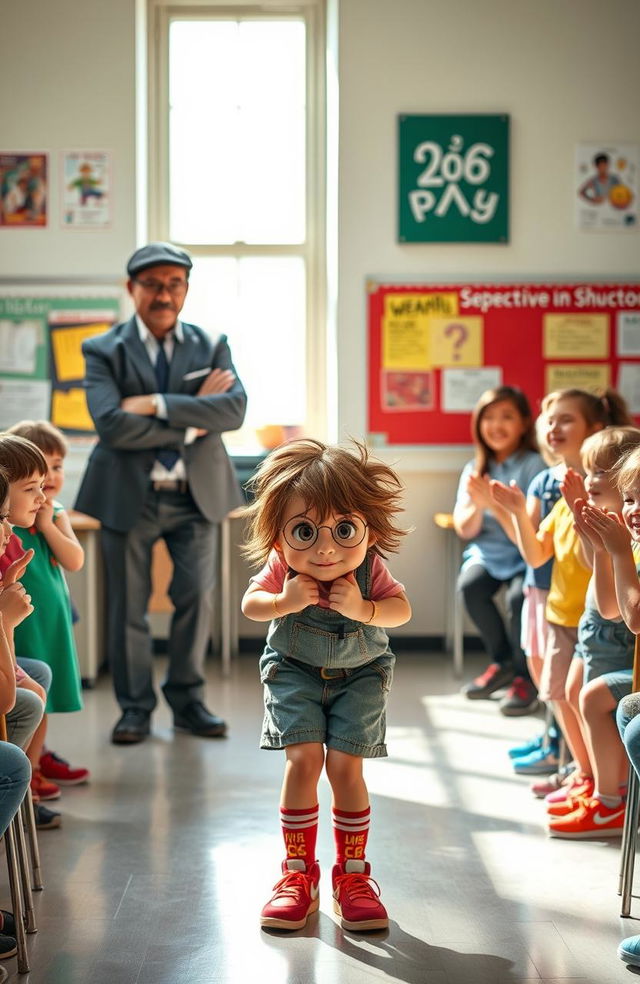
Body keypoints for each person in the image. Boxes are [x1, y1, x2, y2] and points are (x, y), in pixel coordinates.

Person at [75, 242, 247, 744]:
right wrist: (194, 420)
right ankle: (134, 709)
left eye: (174, 284)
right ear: (131, 289)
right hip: (128, 496)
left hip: (196, 496)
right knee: (126, 606)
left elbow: (233, 412)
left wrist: (152, 404)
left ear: (186, 291)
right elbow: (111, 426)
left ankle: (188, 702)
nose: (163, 294)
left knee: (196, 598)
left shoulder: (213, 344)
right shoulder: (102, 349)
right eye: (152, 284)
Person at [240, 439, 411, 932]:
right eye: (304, 532)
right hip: (294, 671)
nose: (326, 548)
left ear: (368, 530)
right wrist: (284, 600)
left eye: (343, 530)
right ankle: (298, 874)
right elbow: (252, 604)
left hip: (361, 675)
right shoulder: (282, 568)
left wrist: (364, 609)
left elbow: (402, 610)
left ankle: (352, 876)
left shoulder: (370, 568)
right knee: (303, 760)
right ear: (279, 536)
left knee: (344, 767)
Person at [492, 388, 631, 801]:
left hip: (590, 623)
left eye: (599, 474)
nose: (590, 482)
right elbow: (536, 554)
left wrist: (576, 508)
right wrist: (517, 512)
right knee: (562, 696)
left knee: (577, 697)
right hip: (563, 615)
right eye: (589, 474)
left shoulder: (606, 515)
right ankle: (583, 772)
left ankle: (594, 779)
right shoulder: (566, 499)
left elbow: (596, 564)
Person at [543, 427, 640, 837]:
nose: (633, 509)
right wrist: (604, 547)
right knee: (583, 693)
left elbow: (630, 618)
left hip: (619, 652)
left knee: (593, 695)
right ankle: (604, 794)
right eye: (631, 498)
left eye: (638, 499)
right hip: (602, 639)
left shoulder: (630, 545)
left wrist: (614, 549)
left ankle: (609, 800)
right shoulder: (632, 542)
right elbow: (609, 605)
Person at [6, 421, 89, 787]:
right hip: (19, 619)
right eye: (39, 474)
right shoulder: (9, 521)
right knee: (26, 686)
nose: (52, 478)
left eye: (57, 468)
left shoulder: (52, 513)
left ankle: (36, 763)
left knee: (45, 683)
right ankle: (26, 765)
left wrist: (48, 523)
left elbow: (74, 559)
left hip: (49, 618)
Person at [453, 386, 545, 714]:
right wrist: (479, 506)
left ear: (523, 423)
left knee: (520, 599)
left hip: (525, 554)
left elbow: (528, 535)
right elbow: (465, 529)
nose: (496, 425)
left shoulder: (536, 465)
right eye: (488, 418)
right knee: (470, 587)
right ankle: (502, 662)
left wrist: (494, 504)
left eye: (507, 417)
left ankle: (525, 676)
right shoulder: (475, 468)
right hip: (488, 554)